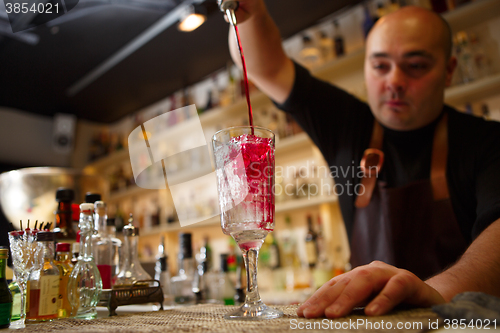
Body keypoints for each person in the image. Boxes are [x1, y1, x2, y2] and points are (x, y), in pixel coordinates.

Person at [223, 0, 500, 319]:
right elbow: (266, 68)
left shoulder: (488, 141)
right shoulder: (347, 125)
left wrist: (434, 293)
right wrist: (251, 12)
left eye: (416, 66)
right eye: (381, 66)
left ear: (449, 71)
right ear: (366, 67)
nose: (394, 80)